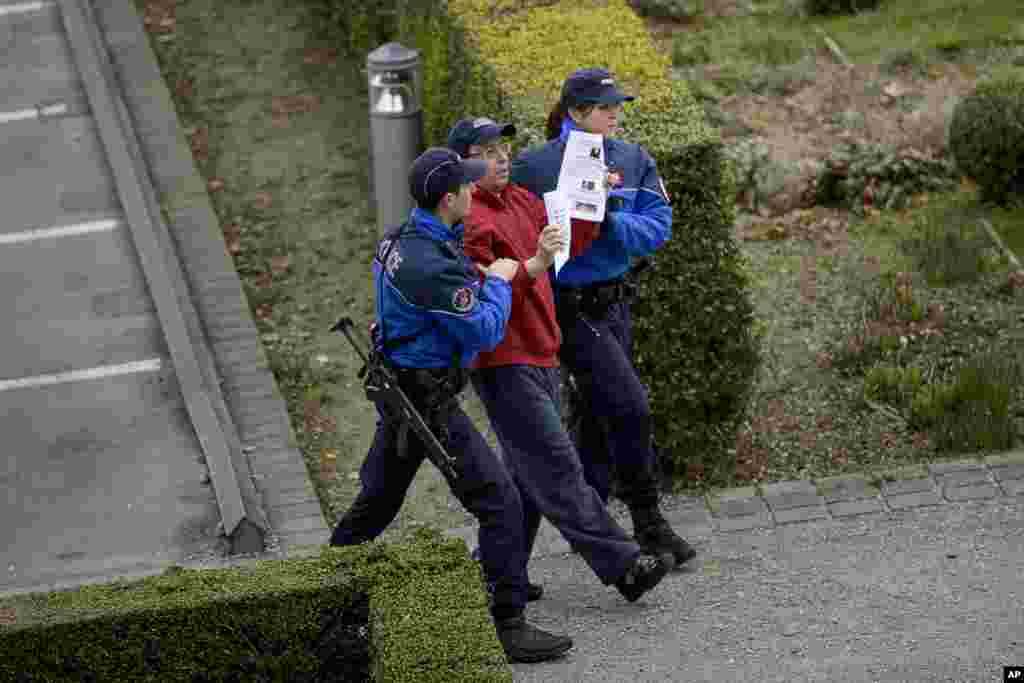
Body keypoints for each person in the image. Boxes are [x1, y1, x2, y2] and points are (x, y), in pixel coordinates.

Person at [329, 148, 572, 664]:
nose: (474, 187)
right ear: (449, 198)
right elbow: (482, 330)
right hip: (425, 400)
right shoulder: (427, 261)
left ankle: (321, 590)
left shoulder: (406, 239)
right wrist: (504, 283)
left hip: (406, 392)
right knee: (500, 501)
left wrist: (496, 277)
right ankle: (506, 622)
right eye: (466, 184)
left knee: (377, 501)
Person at [448, 117, 674, 604]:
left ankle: (494, 571)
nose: (502, 156)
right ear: (463, 166)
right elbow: (479, 292)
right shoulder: (469, 222)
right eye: (486, 151)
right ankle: (624, 565)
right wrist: (528, 269)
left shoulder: (524, 201)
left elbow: (571, 244)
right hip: (503, 360)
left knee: (522, 473)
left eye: (503, 147)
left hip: (542, 349)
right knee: (556, 464)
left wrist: (591, 202)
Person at [510, 68, 697, 568]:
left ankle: (591, 528)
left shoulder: (634, 160)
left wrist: (607, 221)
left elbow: (658, 226)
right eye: (603, 107)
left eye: (618, 105)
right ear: (574, 112)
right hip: (570, 309)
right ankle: (650, 526)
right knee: (630, 407)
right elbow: (511, 233)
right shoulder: (533, 167)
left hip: (616, 304)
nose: (615, 114)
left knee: (596, 415)